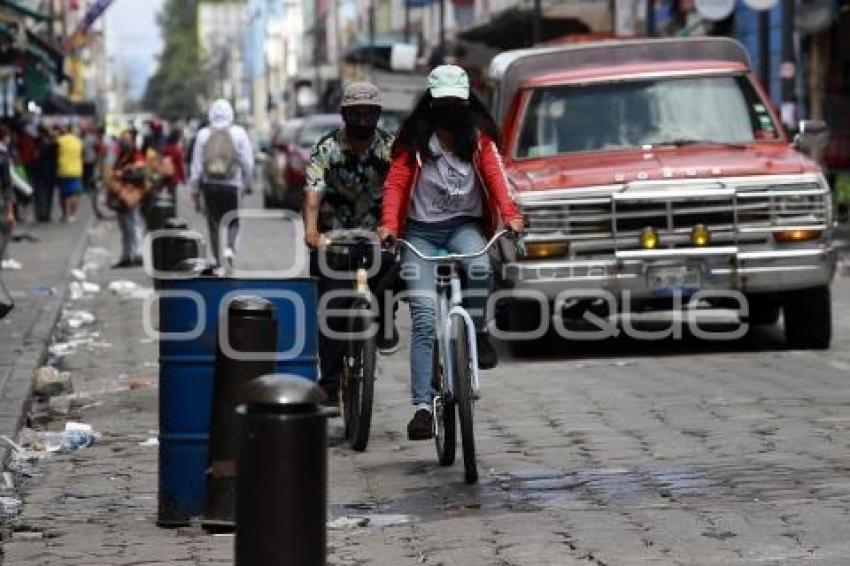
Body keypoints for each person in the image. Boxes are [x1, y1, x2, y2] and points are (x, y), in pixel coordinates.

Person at [377, 65, 524, 440]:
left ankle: (478, 329)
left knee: (479, 268)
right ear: (430, 102)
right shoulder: (413, 142)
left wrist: (510, 216)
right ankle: (423, 407)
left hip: (464, 227)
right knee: (424, 319)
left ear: (466, 103)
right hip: (420, 234)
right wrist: (390, 227)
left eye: (455, 103)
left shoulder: (478, 139)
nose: (448, 110)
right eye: (442, 103)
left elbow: (495, 178)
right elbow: (395, 186)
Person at [303, 82, 397, 403]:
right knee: (331, 310)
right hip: (334, 242)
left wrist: (394, 227)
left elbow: (401, 190)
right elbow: (313, 192)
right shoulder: (326, 148)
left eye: (368, 113)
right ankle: (329, 386)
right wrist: (312, 232)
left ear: (377, 115)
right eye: (355, 113)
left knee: (397, 271)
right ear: (344, 115)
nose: (361, 120)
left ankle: (385, 322)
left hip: (377, 238)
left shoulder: (389, 148)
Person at [189, 100, 254, 268]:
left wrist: (195, 190)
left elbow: (196, 166)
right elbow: (248, 163)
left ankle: (217, 260)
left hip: (210, 185)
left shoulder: (203, 134)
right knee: (233, 220)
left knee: (214, 223)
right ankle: (230, 249)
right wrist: (247, 183)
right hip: (232, 184)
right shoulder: (239, 133)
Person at [106, 130, 146, 268]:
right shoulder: (121, 156)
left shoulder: (137, 156)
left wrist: (122, 174)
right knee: (125, 228)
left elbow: (140, 174)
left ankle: (137, 254)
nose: (124, 142)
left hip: (132, 195)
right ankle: (126, 255)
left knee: (134, 225)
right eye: (123, 140)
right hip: (121, 196)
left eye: (127, 140)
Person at [56, 124, 84, 223]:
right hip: (76, 171)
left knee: (64, 194)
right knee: (75, 193)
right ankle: (72, 215)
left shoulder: (60, 140)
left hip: (63, 170)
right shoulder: (78, 141)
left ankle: (65, 215)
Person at [33, 125, 57, 222]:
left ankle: (41, 215)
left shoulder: (39, 144)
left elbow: (36, 157)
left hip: (41, 173)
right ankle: (47, 215)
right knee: (49, 195)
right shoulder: (54, 145)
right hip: (51, 173)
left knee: (41, 194)